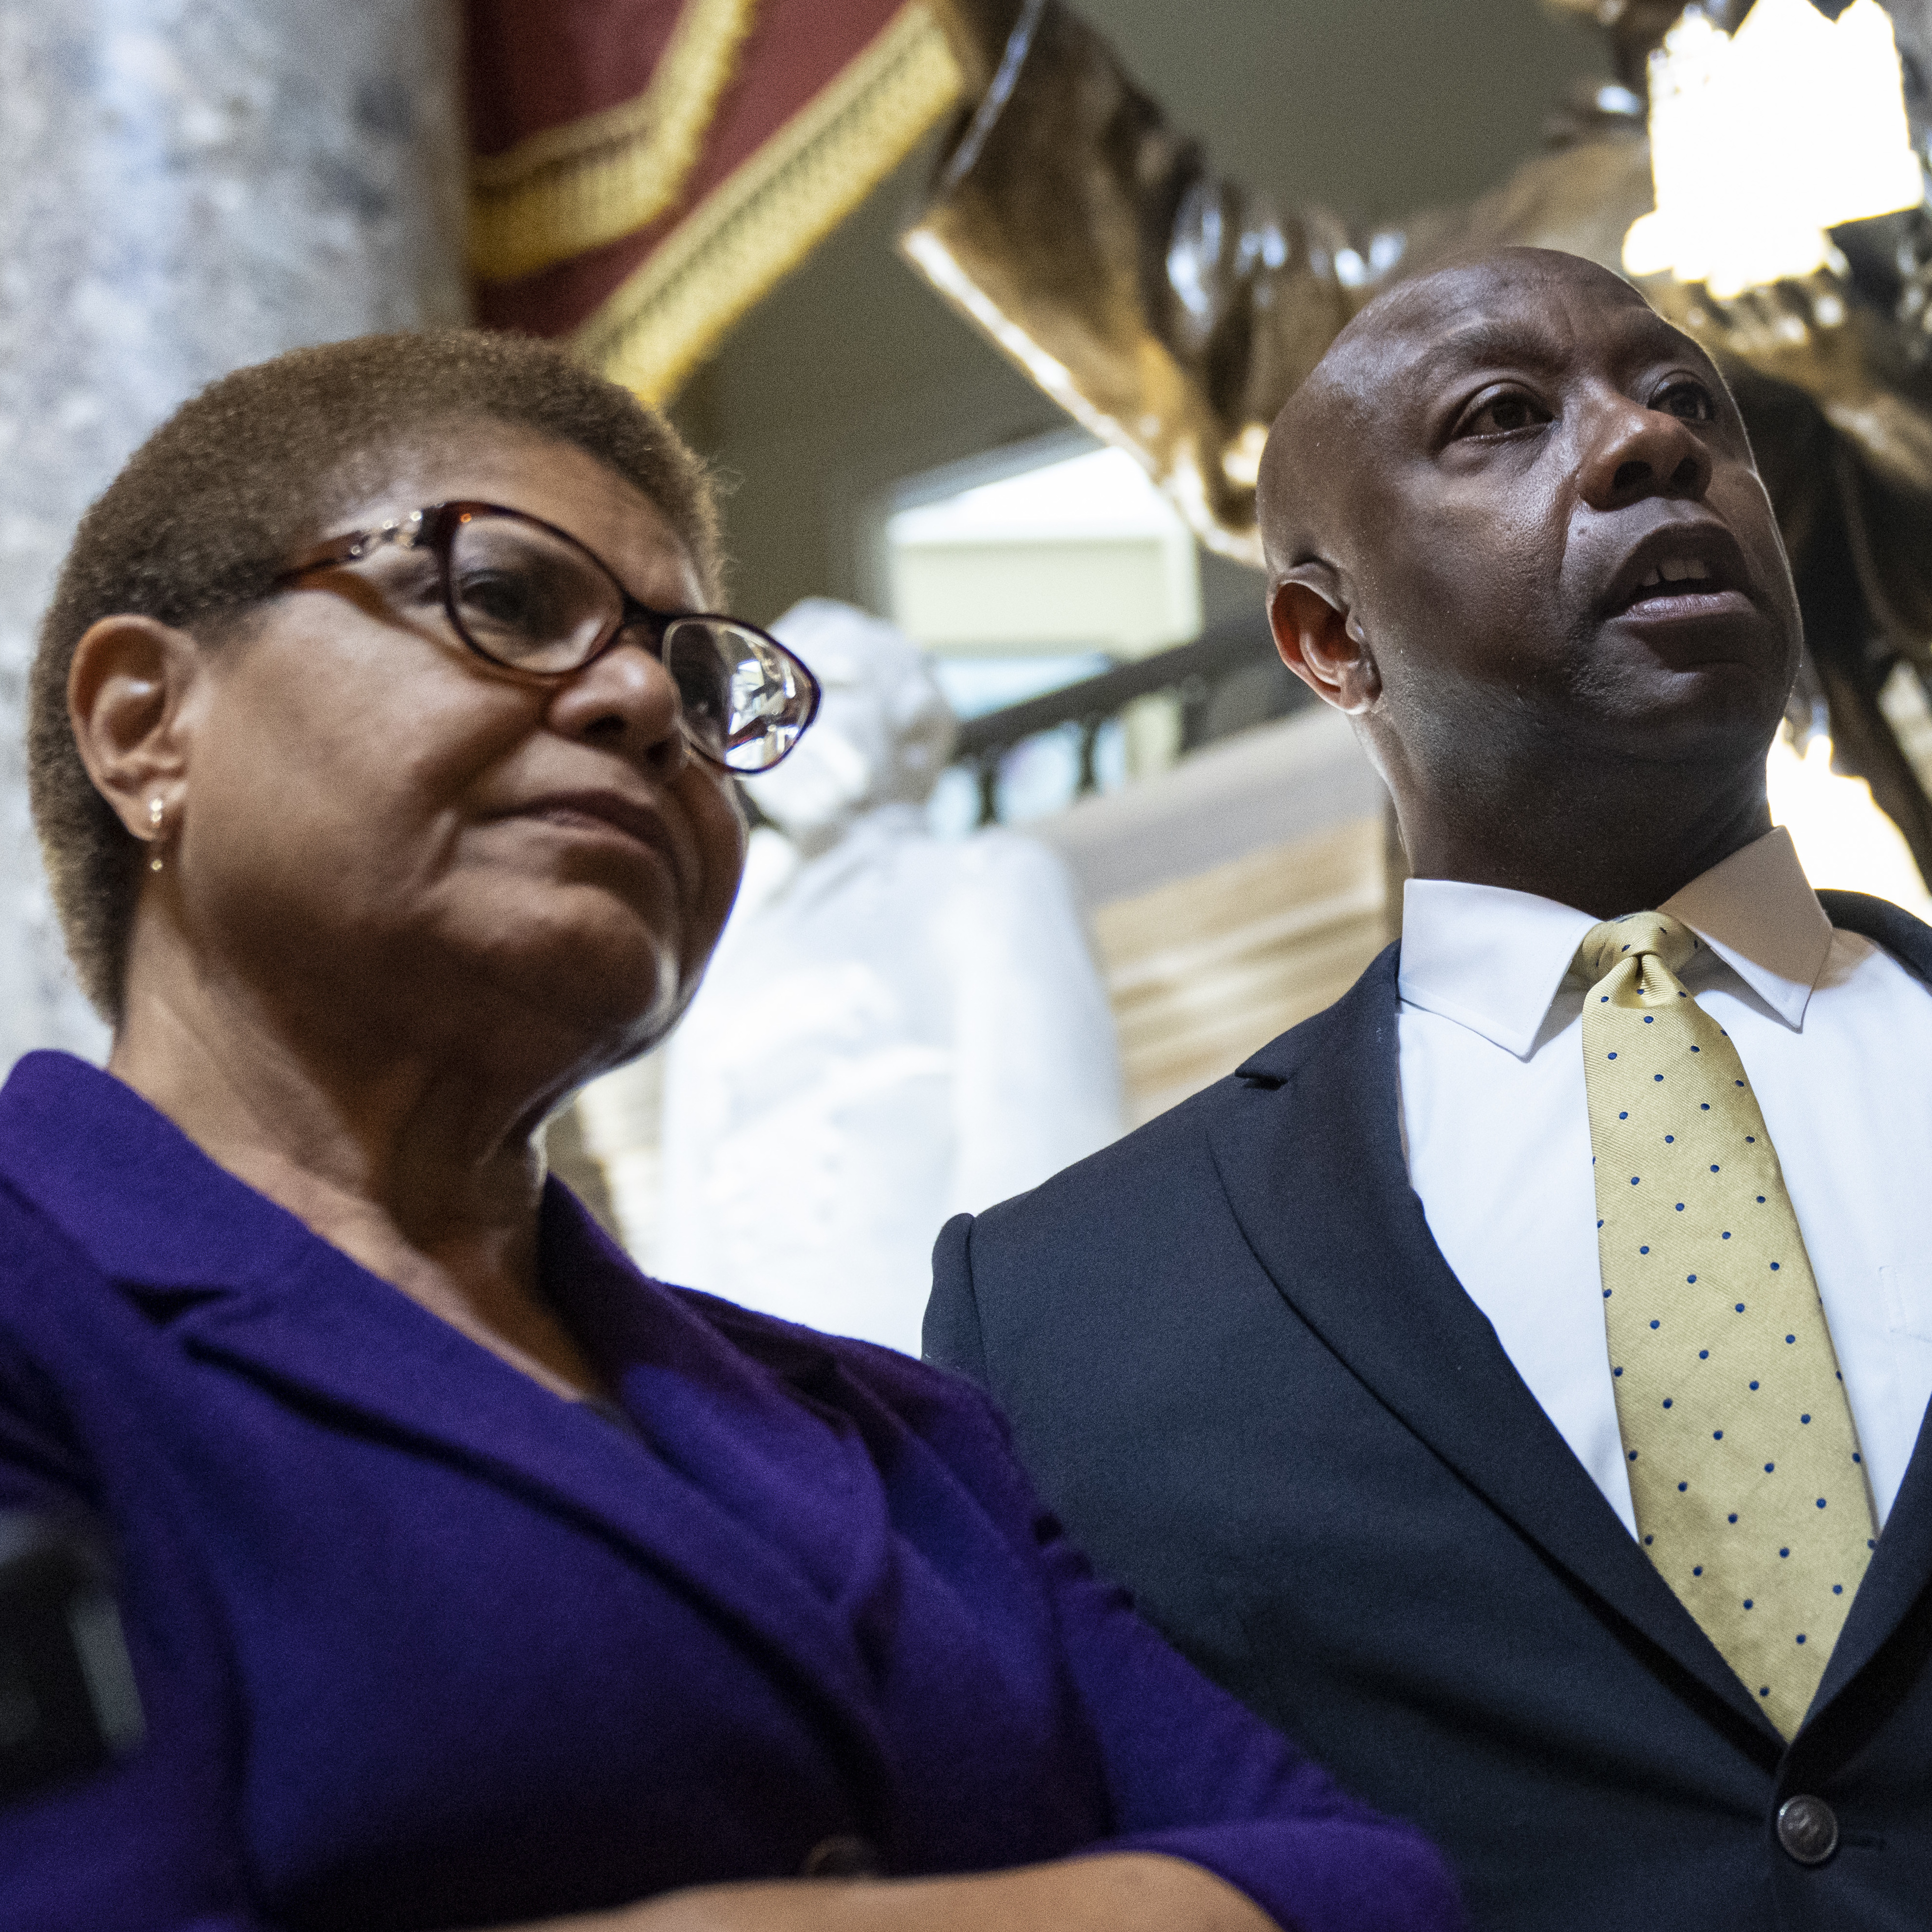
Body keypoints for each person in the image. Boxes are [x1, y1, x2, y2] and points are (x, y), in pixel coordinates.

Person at [0, 328, 1457, 1932]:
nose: (641, 700)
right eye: (502, 598)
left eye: (700, 683)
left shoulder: (892, 1433)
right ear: (145, 725)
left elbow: (1371, 1886)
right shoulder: (41, 1304)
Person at [925, 248, 1932, 1929]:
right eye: (1503, 420)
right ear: (1330, 640)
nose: (1645, 445)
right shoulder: (1058, 1309)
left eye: (1690, 401)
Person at [905, 0, 1932, 880]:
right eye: (1505, 413)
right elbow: (1258, 357)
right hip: (1602, 871)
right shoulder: (1586, 192)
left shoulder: (1893, 69)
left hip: (1833, 809)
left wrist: (1867, 388)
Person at [658, 598, 1122, 1354]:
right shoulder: (731, 940)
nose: (791, 724)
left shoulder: (987, 882)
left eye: (830, 689)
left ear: (908, 723)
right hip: (748, 1390)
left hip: (918, 1369)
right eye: (763, 700)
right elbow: (686, 1200)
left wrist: (982, 1372)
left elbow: (1042, 1152)